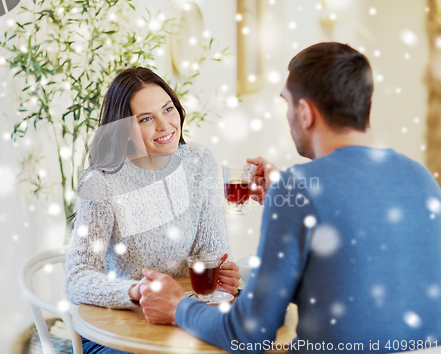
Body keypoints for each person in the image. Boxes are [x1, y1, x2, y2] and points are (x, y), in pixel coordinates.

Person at [137, 42, 441, 353]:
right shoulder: (422, 179)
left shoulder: (299, 188)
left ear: (305, 112)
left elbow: (248, 334)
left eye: (287, 102)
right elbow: (366, 281)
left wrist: (177, 306)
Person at [64, 67, 241, 354]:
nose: (165, 125)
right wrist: (135, 292)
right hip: (117, 331)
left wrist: (222, 277)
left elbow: (212, 253)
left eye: (168, 109)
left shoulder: (198, 162)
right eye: (146, 119)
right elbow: (76, 277)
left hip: (182, 321)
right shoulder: (102, 181)